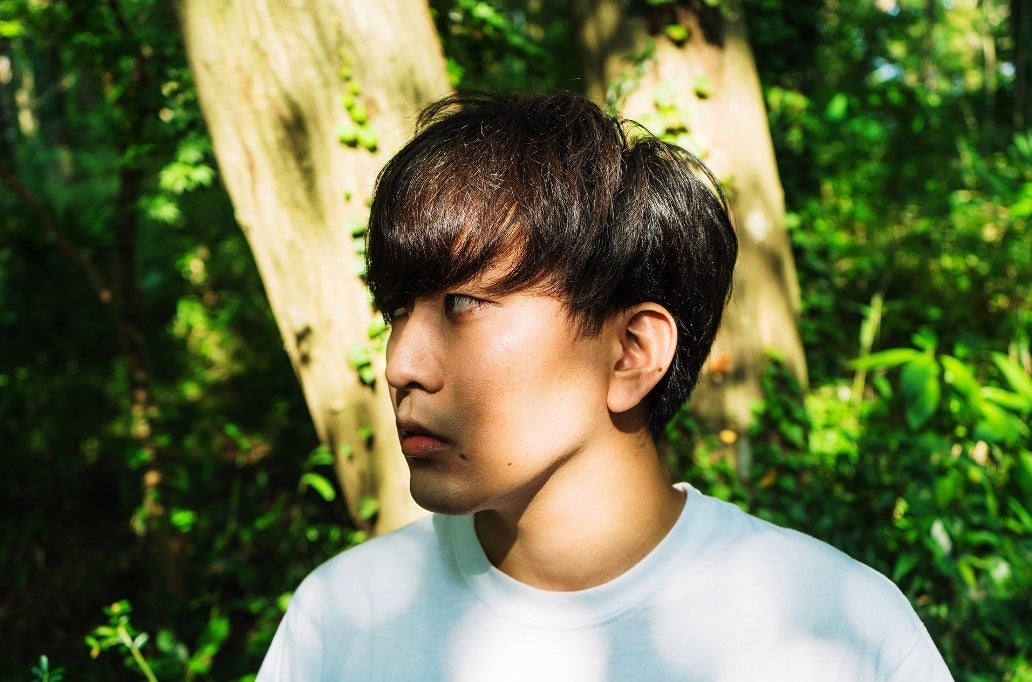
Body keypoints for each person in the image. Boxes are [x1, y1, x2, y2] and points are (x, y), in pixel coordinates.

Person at [256, 91, 952, 681]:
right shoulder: (342, 621)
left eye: (463, 304)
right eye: (396, 311)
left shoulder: (836, 629)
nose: (400, 363)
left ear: (632, 352)